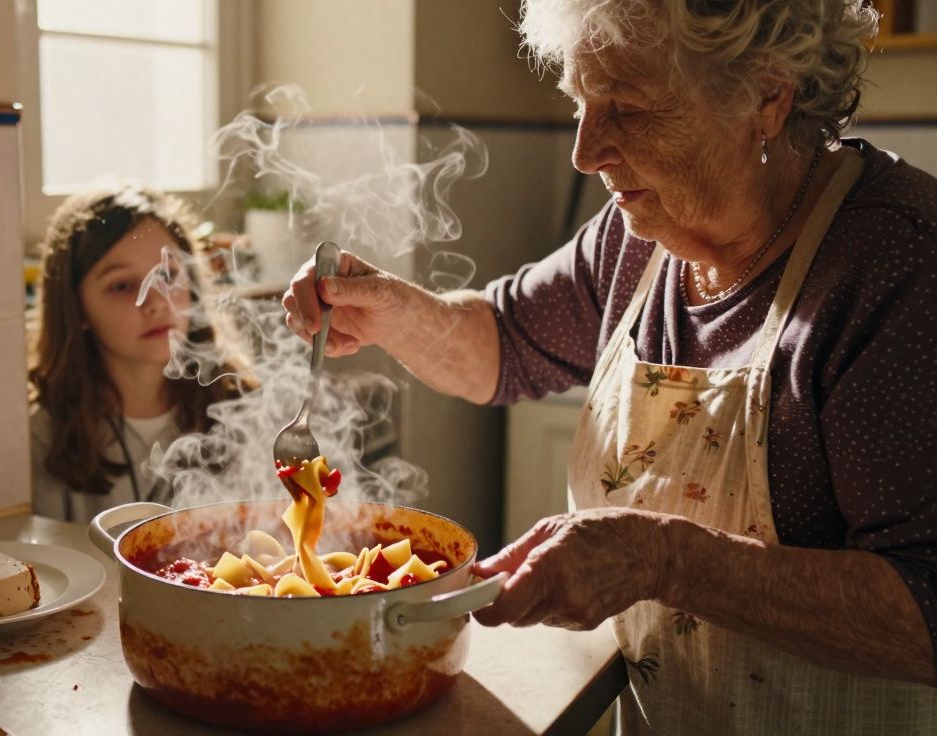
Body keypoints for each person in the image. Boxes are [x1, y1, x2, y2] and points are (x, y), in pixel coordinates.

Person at [282, 1, 937, 732]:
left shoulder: (899, 262)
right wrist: (398, 312)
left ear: (767, 96)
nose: (586, 152)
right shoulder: (642, 236)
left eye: (626, 107)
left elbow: (926, 605)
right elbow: (503, 345)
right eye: (581, 105)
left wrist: (665, 558)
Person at [30, 183, 235, 523]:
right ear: (76, 308)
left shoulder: (239, 409)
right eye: (123, 286)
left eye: (169, 275)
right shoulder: (42, 436)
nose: (156, 302)